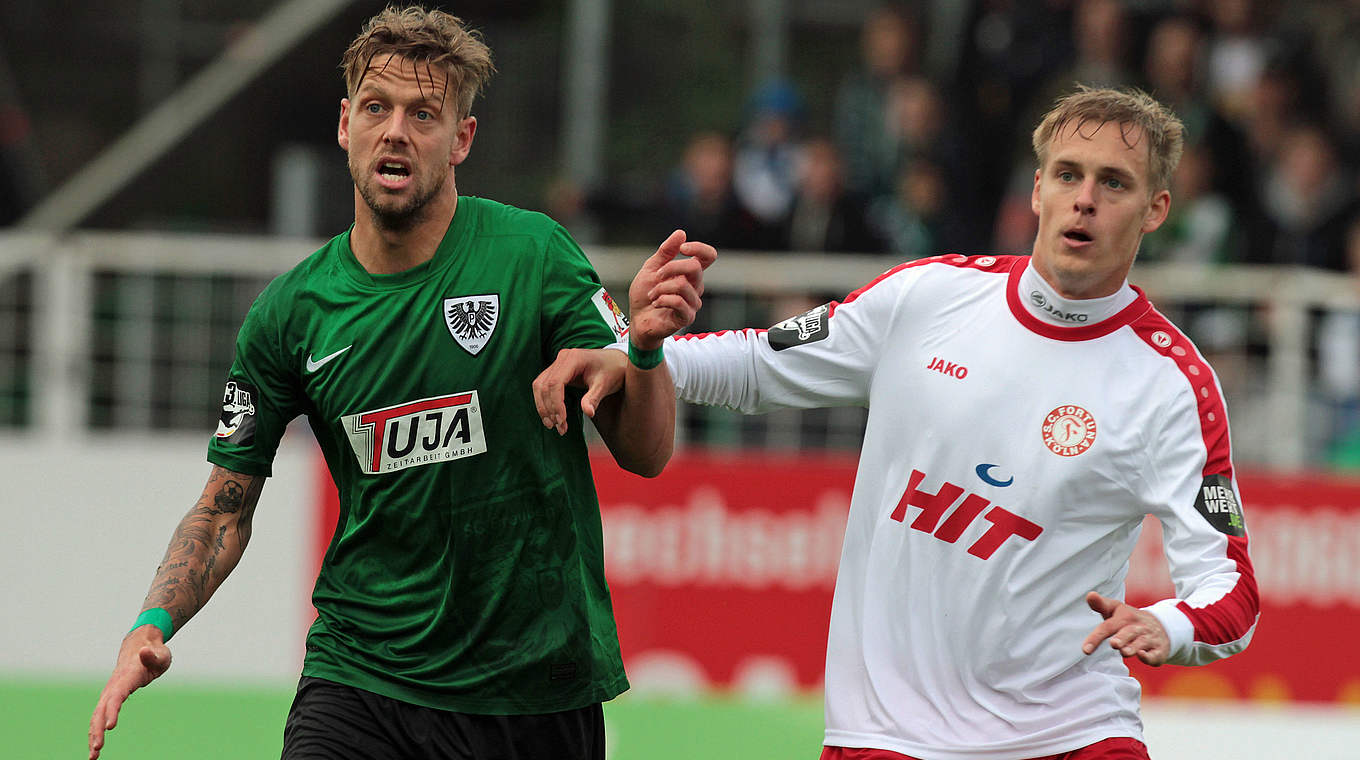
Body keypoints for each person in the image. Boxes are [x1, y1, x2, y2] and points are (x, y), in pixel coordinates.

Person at [534, 86, 1259, 759]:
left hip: (1071, 734)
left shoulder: (1171, 385)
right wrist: (637, 352)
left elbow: (1231, 590)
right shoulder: (927, 297)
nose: (1085, 201)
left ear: (1156, 209)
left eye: (1115, 183)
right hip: (886, 735)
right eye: (1067, 174)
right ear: (1036, 189)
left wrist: (1167, 624)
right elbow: (760, 363)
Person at [87, 7, 713, 760]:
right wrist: (149, 627)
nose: (396, 132)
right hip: (362, 678)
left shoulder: (534, 255)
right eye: (378, 108)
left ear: (461, 141)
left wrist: (642, 352)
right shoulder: (290, 314)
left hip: (534, 688)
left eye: (425, 115)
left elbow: (646, 453)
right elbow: (224, 507)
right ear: (346, 125)